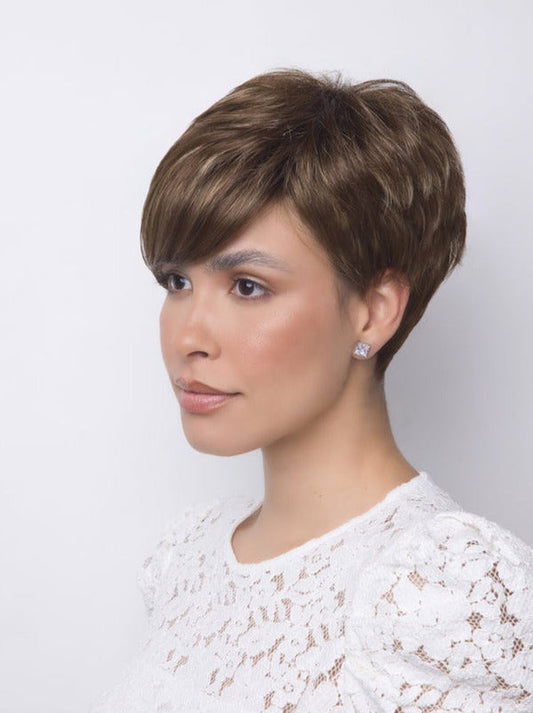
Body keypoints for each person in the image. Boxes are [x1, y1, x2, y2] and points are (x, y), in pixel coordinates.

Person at [91, 69, 533, 712]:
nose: (188, 336)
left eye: (248, 286)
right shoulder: (187, 558)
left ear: (373, 312)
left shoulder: (443, 589)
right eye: (176, 282)